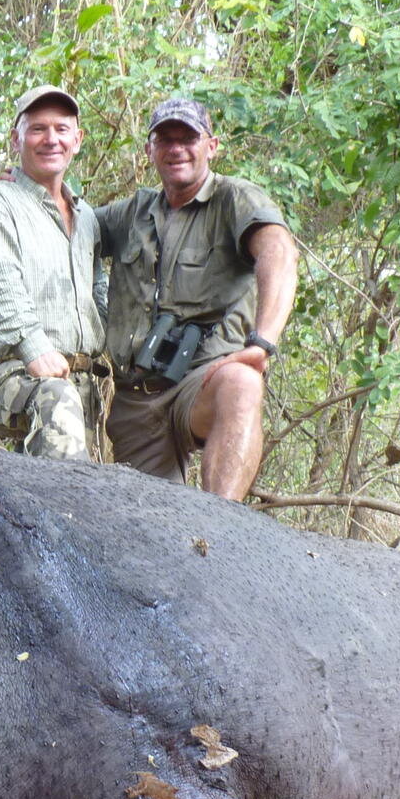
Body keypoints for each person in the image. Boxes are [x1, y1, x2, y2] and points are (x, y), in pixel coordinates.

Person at [96, 97, 298, 499]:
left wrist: (262, 342)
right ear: (149, 149)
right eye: (164, 139)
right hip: (136, 399)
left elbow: (279, 251)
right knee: (148, 532)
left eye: (188, 137)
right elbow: (66, 223)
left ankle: (221, 523)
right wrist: (25, 189)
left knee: (242, 382)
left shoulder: (234, 199)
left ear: (212, 145)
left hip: (202, 380)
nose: (176, 149)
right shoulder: (131, 213)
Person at [0, 85, 109, 461]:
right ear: (16, 138)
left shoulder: (87, 217)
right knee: (56, 401)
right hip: (9, 369)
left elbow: (99, 292)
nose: (50, 139)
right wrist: (34, 349)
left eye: (61, 129)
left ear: (78, 139)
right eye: (37, 129)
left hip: (85, 381)